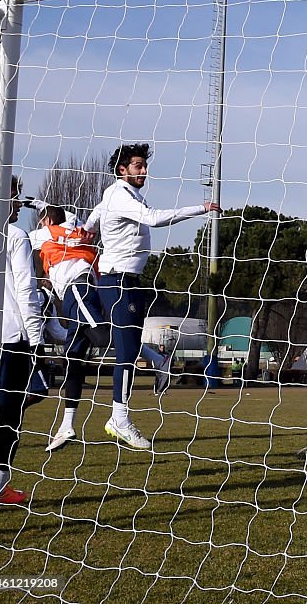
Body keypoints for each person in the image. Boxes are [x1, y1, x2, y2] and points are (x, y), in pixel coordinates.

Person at [83, 143, 220, 450]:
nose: (143, 171)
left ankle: (155, 364)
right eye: (137, 166)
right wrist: (200, 208)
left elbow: (94, 217)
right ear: (122, 170)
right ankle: (119, 417)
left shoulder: (116, 195)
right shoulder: (121, 195)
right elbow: (154, 219)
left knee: (125, 346)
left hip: (124, 281)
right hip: (118, 282)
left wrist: (88, 229)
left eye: (144, 166)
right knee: (125, 352)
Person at [26, 201, 114, 452]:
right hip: (79, 292)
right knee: (72, 359)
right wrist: (36, 204)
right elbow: (60, 211)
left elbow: (19, 238)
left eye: (43, 220)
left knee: (102, 338)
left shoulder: (46, 233)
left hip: (77, 288)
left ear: (47, 222)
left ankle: (155, 358)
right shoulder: (73, 224)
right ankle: (67, 425)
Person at [0, 177, 45, 505]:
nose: (19, 204)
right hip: (12, 339)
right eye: (13, 198)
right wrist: (37, 340)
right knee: (10, 412)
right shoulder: (15, 236)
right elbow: (26, 291)